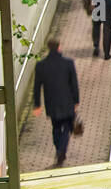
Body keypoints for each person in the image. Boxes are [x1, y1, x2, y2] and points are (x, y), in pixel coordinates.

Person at [31, 39, 80, 167]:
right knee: (67, 128)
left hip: (51, 102)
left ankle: (58, 148)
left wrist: (37, 105)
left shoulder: (41, 65)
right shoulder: (68, 63)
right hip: (67, 101)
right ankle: (61, 150)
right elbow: (74, 84)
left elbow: (37, 87)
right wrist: (76, 100)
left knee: (56, 127)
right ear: (59, 47)